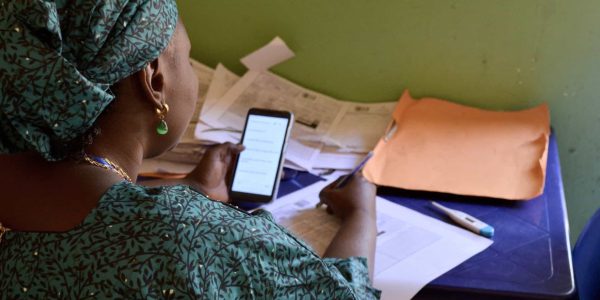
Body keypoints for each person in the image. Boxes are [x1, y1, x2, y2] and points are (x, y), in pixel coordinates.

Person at [0, 0, 380, 299]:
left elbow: (83, 223)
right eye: (187, 56)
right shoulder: (197, 240)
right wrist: (361, 215)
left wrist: (193, 187)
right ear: (154, 78)